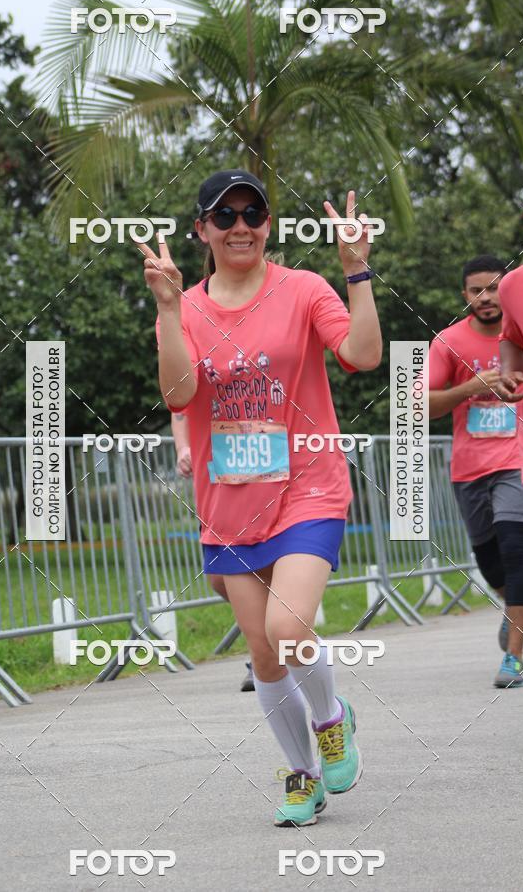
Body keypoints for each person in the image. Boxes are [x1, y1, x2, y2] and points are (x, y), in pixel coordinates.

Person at [141, 169, 382, 827]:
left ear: (268, 223)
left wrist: (356, 272)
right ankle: (303, 775)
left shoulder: (304, 289)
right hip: (228, 503)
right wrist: (167, 312)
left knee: (287, 626)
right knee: (265, 651)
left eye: (254, 212)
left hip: (309, 485)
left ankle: (332, 721)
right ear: (203, 231)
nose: (241, 225)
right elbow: (179, 395)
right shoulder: (185, 306)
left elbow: (362, 354)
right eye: (226, 216)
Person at [429, 254, 523, 688]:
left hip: (517, 461)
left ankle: (513, 658)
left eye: (494, 288)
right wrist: (473, 386)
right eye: (476, 290)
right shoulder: (448, 342)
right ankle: (517, 613)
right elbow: (417, 406)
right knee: (491, 566)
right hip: (469, 470)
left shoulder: (521, 333)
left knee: (515, 550)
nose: (486, 298)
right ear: (464, 295)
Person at [171, 411, 255, 692]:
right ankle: (281, 638)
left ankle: (265, 653)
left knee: (260, 569)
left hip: (261, 458)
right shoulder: (195, 366)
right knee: (220, 578)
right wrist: (183, 447)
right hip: (214, 473)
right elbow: (180, 409)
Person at [492, 261, 523, 687]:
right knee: (515, 554)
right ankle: (514, 656)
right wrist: (508, 375)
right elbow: (513, 345)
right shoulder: (515, 285)